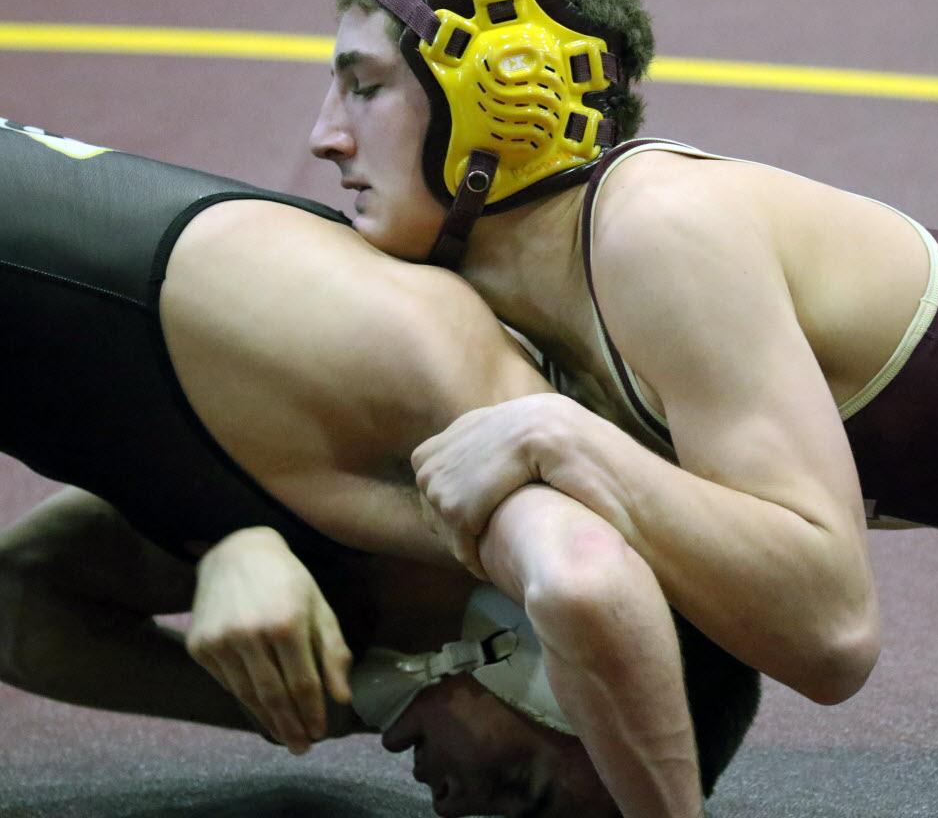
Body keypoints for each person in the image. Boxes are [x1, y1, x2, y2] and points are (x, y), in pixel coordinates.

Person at [310, 0, 938, 710]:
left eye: (364, 88)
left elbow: (834, 633)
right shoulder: (533, 302)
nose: (324, 138)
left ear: (504, 83)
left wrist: (561, 438)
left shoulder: (659, 229)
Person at [0, 117, 759, 817]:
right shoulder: (445, 402)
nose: (458, 810)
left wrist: (305, 683)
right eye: (519, 790)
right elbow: (591, 584)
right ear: (537, 654)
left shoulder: (376, 562)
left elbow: (19, 600)